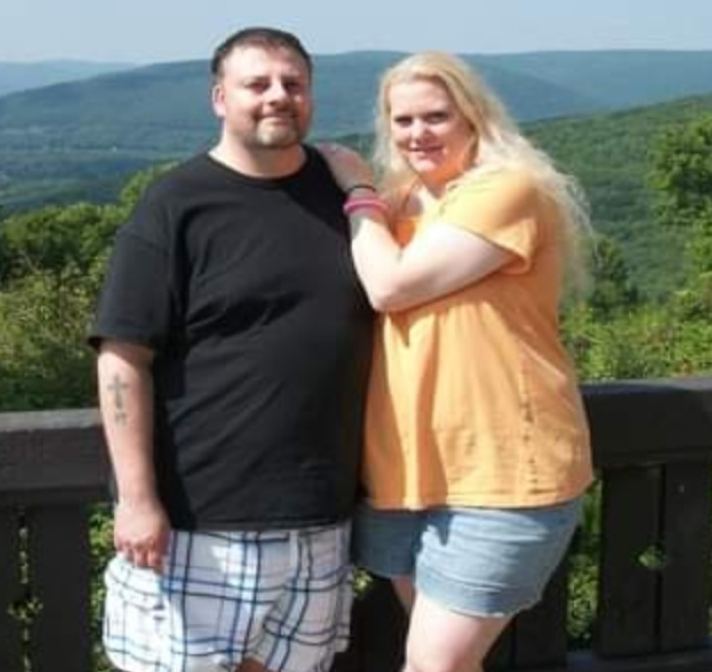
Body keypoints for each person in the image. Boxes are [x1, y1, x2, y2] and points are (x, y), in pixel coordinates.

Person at [88, 27, 373, 672]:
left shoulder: (345, 200)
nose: (279, 96)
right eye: (258, 84)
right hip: (201, 520)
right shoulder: (176, 205)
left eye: (293, 84)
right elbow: (122, 357)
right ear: (220, 98)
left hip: (323, 518)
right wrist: (137, 500)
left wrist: (365, 191)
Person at [319, 51, 594, 672]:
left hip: (504, 472)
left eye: (436, 117)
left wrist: (356, 190)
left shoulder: (506, 190)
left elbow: (390, 286)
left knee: (433, 665)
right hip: (405, 475)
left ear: (474, 117)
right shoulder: (404, 200)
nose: (418, 134)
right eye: (403, 120)